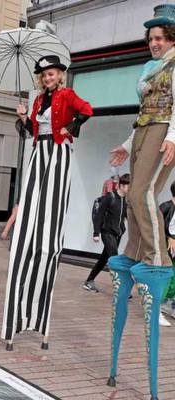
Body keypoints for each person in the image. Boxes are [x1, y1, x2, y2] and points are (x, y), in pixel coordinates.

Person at [3, 54, 93, 351]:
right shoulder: (39, 100)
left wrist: (71, 127)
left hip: (58, 154)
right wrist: (22, 117)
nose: (47, 77)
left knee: (49, 232)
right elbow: (32, 131)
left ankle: (40, 320)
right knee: (29, 219)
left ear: (60, 74)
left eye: (51, 73)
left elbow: (88, 110)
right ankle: (16, 318)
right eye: (43, 74)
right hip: (38, 154)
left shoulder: (66, 95)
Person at [107, 7, 175, 398]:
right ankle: (134, 249)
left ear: (171, 40)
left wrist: (173, 138)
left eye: (160, 39)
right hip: (147, 129)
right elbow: (143, 115)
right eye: (151, 39)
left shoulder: (174, 66)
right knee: (132, 193)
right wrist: (125, 144)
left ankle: (156, 256)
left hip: (165, 131)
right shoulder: (149, 71)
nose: (154, 43)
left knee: (143, 194)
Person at [84, 174, 130, 293]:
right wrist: (96, 233)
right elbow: (99, 214)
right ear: (122, 185)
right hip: (107, 232)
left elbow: (126, 216)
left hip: (118, 235)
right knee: (114, 258)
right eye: (129, 186)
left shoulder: (126, 200)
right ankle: (121, 288)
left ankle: (89, 281)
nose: (131, 189)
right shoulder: (110, 197)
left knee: (104, 259)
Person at [159, 181, 175, 327]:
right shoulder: (165, 207)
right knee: (165, 278)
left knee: (173, 280)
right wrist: (168, 237)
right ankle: (155, 310)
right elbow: (156, 227)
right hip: (165, 250)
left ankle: (168, 304)